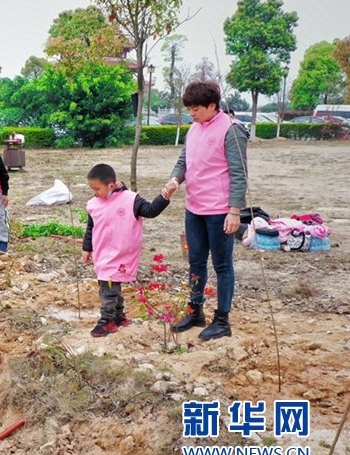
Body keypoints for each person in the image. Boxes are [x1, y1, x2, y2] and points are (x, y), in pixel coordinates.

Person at [162, 81, 248, 341]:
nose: (192, 113)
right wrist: (175, 180)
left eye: (196, 108)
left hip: (220, 210)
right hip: (194, 208)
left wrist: (234, 210)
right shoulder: (193, 129)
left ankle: (222, 320)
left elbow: (239, 174)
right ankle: (195, 310)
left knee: (222, 265)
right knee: (195, 262)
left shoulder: (232, 131)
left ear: (213, 106)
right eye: (188, 108)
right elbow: (183, 161)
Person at [82, 163, 169, 337]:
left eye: (97, 188)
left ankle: (107, 321)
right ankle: (119, 315)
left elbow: (150, 211)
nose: (95, 192)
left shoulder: (130, 200)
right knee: (110, 285)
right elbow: (91, 227)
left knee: (108, 287)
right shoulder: (94, 204)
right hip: (102, 252)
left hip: (121, 252)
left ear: (111, 186)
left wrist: (165, 197)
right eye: (92, 189)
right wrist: (87, 248)